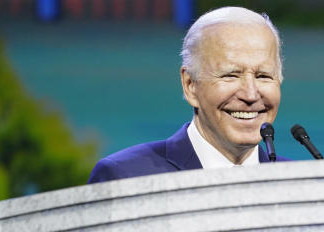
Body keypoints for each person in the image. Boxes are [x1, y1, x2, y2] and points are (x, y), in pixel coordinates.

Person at [88, 6, 282, 183]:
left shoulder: (298, 183)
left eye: (263, 76)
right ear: (190, 85)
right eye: (230, 75)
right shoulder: (125, 177)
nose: (250, 94)